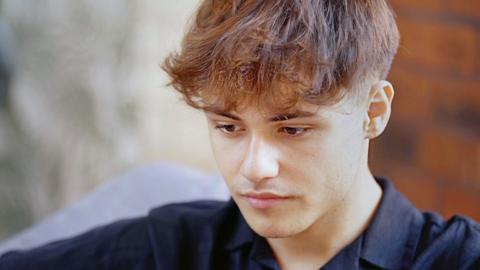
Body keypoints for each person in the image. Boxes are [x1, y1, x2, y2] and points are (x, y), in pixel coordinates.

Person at [1, 1, 479, 269]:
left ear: (373, 111)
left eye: (292, 128)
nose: (254, 168)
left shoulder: (457, 260)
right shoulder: (176, 249)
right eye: (228, 127)